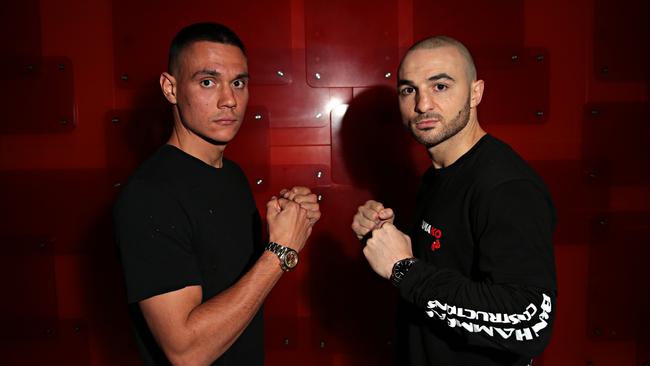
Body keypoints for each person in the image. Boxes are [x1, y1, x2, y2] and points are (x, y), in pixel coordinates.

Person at [113, 22, 320, 366]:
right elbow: (187, 352)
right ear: (170, 88)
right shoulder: (148, 196)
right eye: (207, 82)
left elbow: (236, 291)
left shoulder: (232, 175)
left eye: (238, 82)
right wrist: (279, 250)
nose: (229, 100)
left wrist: (290, 225)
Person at [351, 36, 557, 366]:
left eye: (440, 86)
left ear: (475, 93)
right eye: (408, 90)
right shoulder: (437, 175)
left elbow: (529, 322)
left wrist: (405, 270)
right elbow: (446, 269)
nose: (422, 104)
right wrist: (386, 237)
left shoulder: (507, 187)